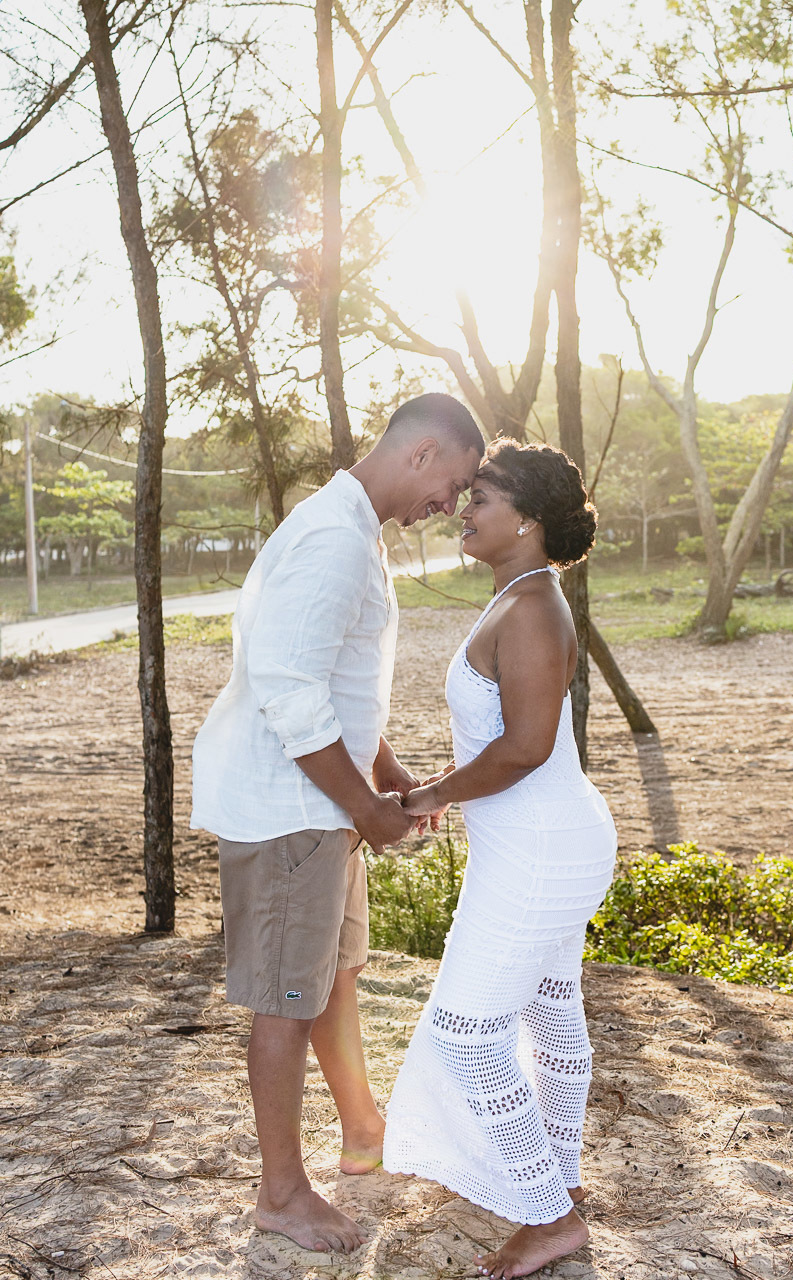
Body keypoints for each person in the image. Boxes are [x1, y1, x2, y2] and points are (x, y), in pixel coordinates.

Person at [190, 393, 483, 1255]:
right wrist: (365, 809)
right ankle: (281, 1194)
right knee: (286, 997)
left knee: (332, 974)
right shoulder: (332, 538)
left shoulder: (352, 528)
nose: (450, 505)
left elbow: (334, 677)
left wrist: (385, 773)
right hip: (293, 813)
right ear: (423, 454)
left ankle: (362, 1126)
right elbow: (288, 690)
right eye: (453, 483)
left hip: (324, 805)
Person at [383, 439, 618, 1280]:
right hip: (540, 841)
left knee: (465, 1034)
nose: (464, 508)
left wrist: (427, 794)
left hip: (540, 847)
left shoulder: (528, 608)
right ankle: (562, 1182)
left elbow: (523, 748)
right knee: (551, 1006)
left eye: (482, 496)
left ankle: (549, 1214)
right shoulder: (523, 597)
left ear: (527, 520)